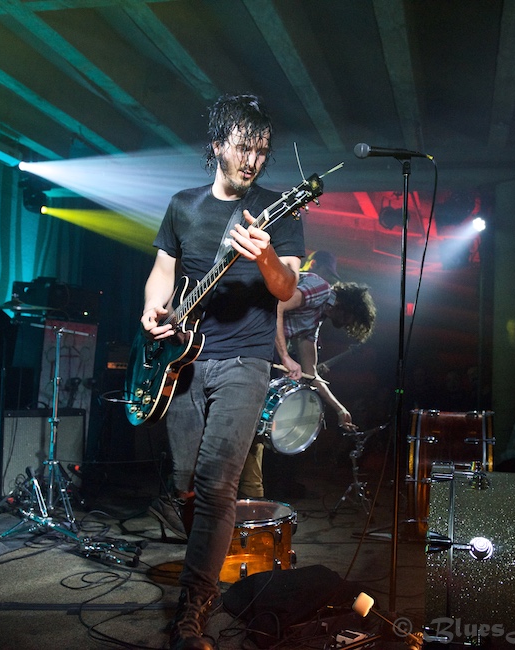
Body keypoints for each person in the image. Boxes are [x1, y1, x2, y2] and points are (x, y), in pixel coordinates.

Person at [141, 93, 304, 650]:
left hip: (246, 359)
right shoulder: (183, 205)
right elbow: (163, 272)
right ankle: (207, 568)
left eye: (262, 150)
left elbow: (288, 289)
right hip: (182, 364)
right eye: (243, 146)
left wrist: (263, 257)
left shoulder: (279, 207)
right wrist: (152, 310)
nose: (253, 159)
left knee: (217, 487)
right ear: (217, 146)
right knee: (188, 483)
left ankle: (192, 610)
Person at [239, 274, 376, 498]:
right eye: (350, 320)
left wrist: (339, 409)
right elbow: (278, 308)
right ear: (347, 308)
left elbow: (311, 373)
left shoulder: (314, 323)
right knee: (248, 427)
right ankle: (247, 495)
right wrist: (284, 356)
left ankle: (252, 497)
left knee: (255, 430)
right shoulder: (320, 289)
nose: (346, 326)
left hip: (259, 354)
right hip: (245, 343)